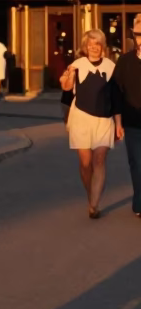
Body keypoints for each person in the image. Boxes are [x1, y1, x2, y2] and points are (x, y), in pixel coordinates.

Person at [59, 29, 122, 219]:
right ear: (85, 47)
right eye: (90, 44)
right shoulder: (77, 64)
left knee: (99, 159)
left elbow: (117, 97)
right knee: (86, 163)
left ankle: (94, 205)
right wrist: (68, 77)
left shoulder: (111, 67)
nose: (94, 48)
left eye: (97, 44)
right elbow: (67, 88)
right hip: (81, 118)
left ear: (102, 46)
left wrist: (119, 123)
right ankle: (90, 195)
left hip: (104, 120)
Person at [110, 15, 141, 218]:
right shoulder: (125, 61)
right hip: (132, 123)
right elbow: (115, 92)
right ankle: (139, 203)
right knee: (137, 163)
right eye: (138, 34)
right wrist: (118, 122)